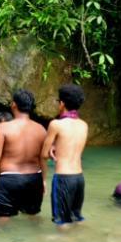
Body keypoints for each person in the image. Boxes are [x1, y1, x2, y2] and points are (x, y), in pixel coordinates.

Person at [0, 89, 47, 221]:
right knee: (33, 218)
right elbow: (43, 158)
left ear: (14, 104)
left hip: (9, 179)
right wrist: (43, 180)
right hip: (34, 178)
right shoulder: (41, 129)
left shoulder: (3, 128)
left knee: (3, 219)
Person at [41, 84, 88, 226]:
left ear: (62, 103)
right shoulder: (84, 125)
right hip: (79, 178)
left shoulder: (56, 124)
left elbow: (43, 154)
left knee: (61, 224)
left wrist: (50, 151)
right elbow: (73, 148)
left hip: (63, 179)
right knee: (76, 218)